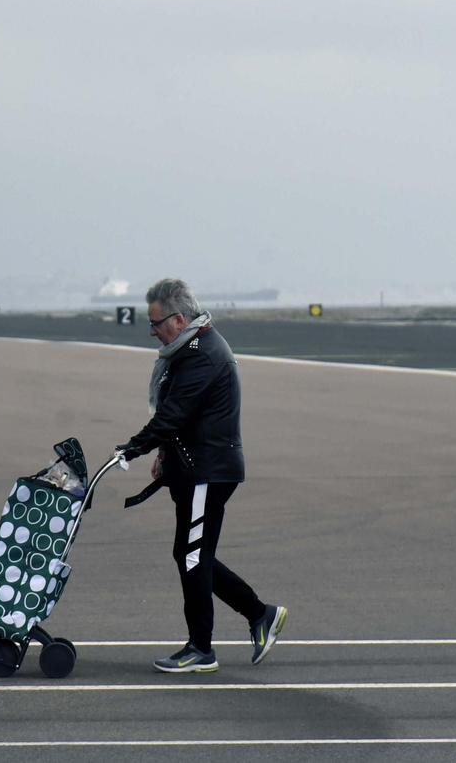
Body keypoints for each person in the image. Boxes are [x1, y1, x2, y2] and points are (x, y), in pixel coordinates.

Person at [115, 278, 287, 672]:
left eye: (156, 322)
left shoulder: (202, 355)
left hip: (206, 471)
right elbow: (181, 415)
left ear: (179, 319)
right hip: (196, 468)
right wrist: (161, 450)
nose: (153, 330)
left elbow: (173, 413)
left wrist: (132, 448)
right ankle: (260, 614)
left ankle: (201, 649)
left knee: (193, 557)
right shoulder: (189, 348)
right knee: (192, 554)